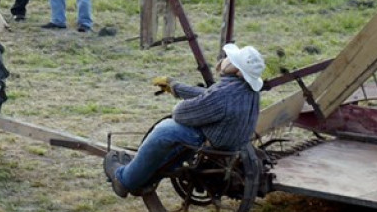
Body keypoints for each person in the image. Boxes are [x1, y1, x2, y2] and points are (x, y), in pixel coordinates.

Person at [103, 43, 265, 198]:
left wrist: (182, 105)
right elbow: (209, 96)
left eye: (231, 59)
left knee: (165, 130)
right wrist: (176, 87)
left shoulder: (225, 95)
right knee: (175, 135)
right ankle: (147, 176)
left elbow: (181, 113)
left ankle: (125, 180)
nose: (226, 60)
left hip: (210, 140)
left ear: (237, 70)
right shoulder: (243, 89)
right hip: (228, 140)